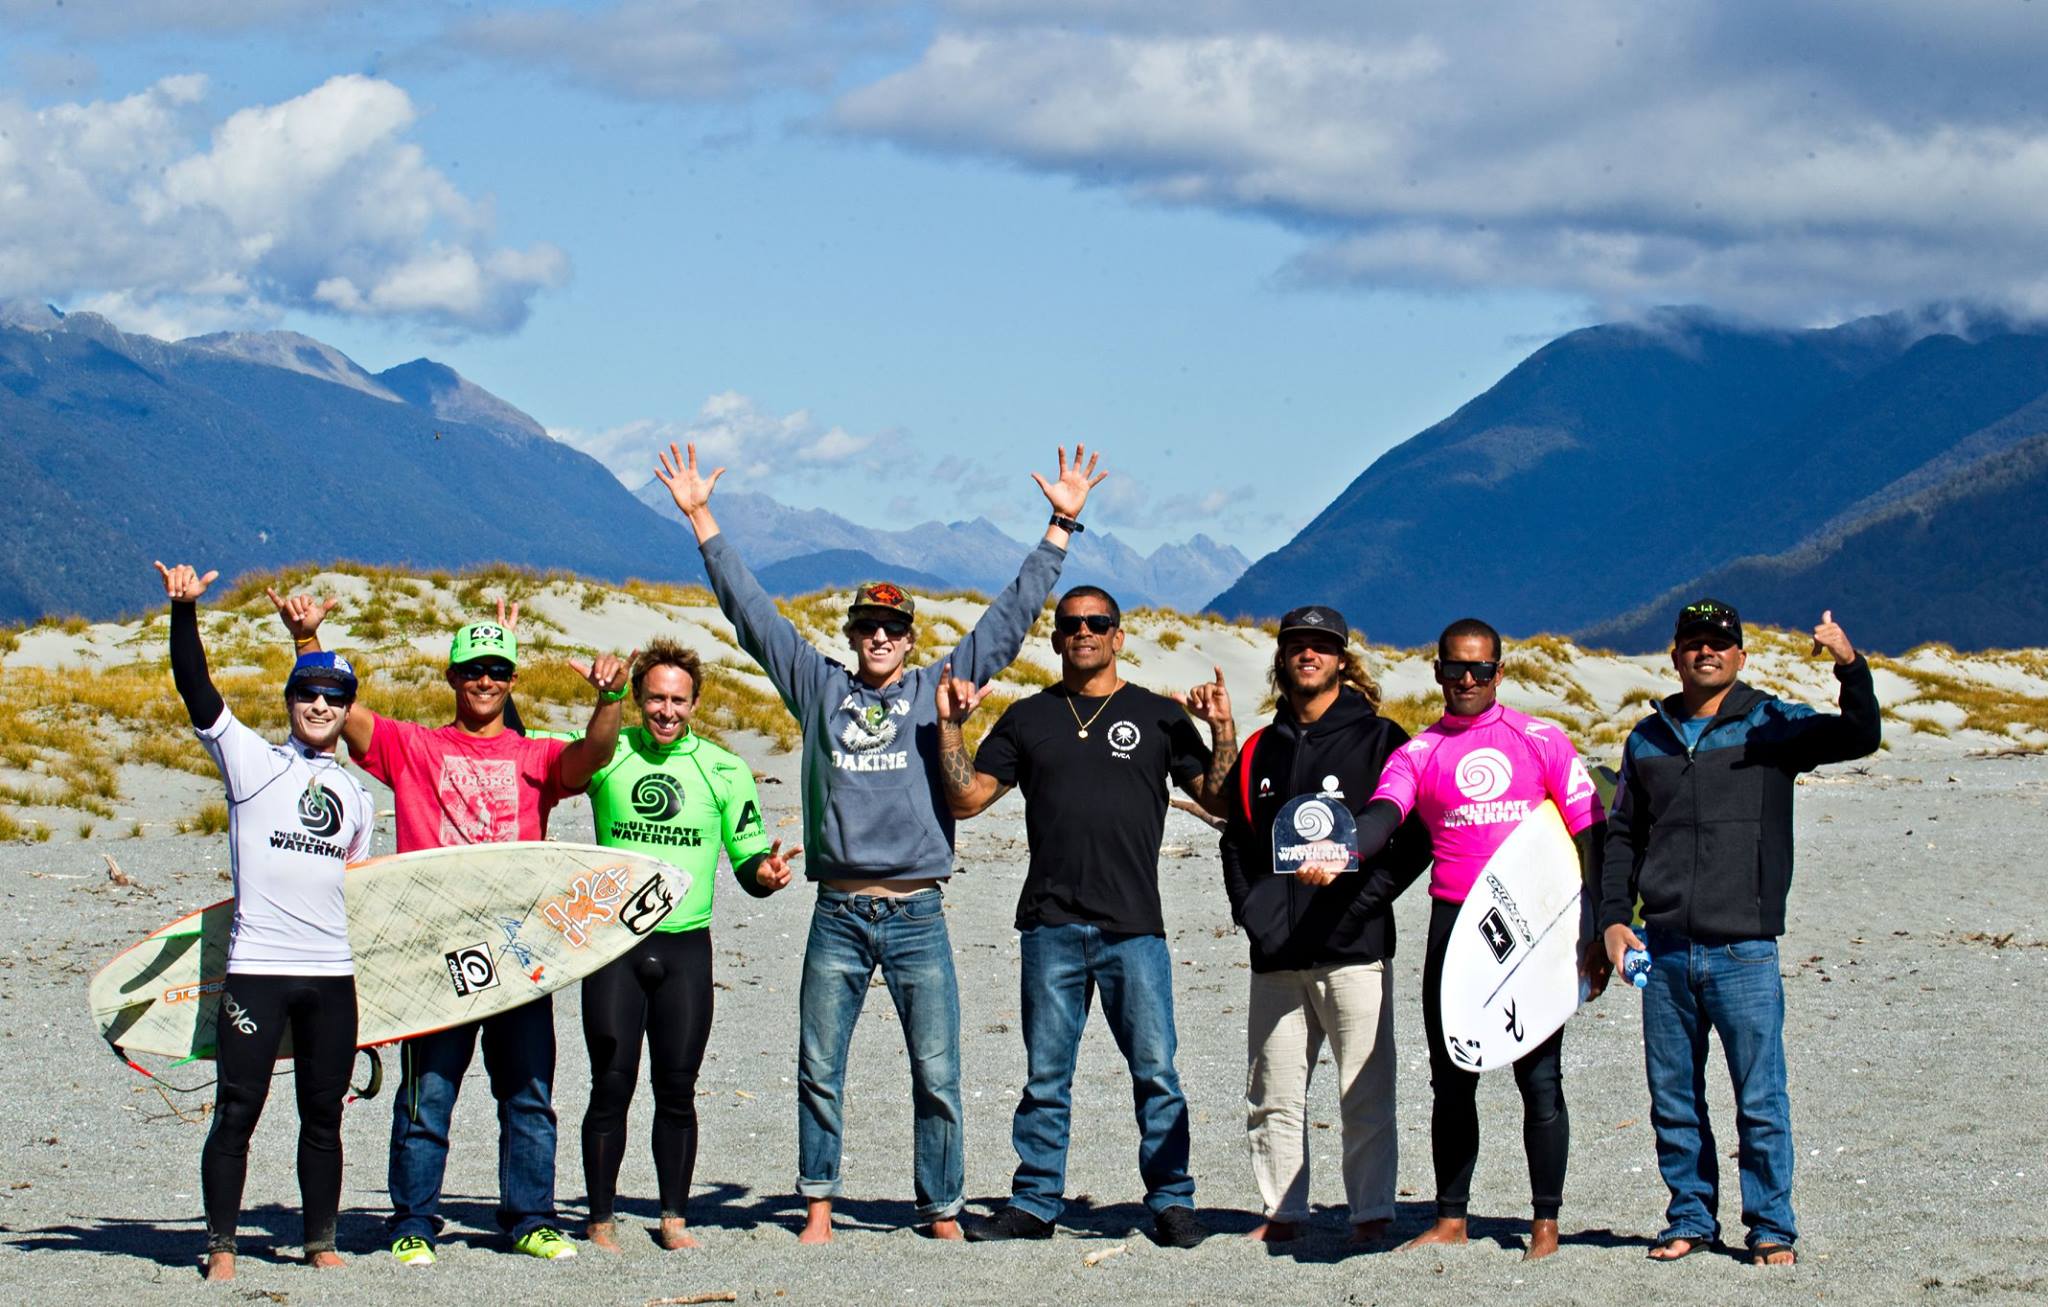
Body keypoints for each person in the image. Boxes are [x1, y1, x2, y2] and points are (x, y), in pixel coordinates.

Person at [654, 440, 1106, 1244]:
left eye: (893, 627)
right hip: (837, 912)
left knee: (937, 1072)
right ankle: (818, 1204)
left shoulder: (939, 689)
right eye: (867, 626)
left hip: (917, 913)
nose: (880, 637)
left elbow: (1008, 620)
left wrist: (1060, 527)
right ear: (853, 633)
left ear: (909, 637)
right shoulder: (817, 685)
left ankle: (941, 1207)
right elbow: (752, 615)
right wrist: (702, 519)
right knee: (819, 1067)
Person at [276, 592, 632, 1265]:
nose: (485, 681)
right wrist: (307, 638)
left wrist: (610, 697)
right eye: (473, 670)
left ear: (512, 680)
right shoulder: (413, 747)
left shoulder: (535, 756)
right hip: (434, 955)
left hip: (520, 954)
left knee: (528, 1094)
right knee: (425, 1095)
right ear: (452, 677)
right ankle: (413, 1220)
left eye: (497, 671)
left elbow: (592, 754)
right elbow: (341, 710)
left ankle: (530, 1217)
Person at [935, 585, 1236, 1248]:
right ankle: (1035, 1202)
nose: (1084, 631)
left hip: (1135, 926)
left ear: (1118, 635)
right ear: (1056, 637)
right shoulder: (1028, 717)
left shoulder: (1158, 716)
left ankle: (1172, 1201)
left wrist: (1222, 729)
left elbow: (1218, 798)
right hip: (1051, 924)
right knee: (1046, 1076)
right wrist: (952, 725)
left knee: (1156, 1073)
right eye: (1071, 623)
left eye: (1098, 622)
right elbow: (966, 800)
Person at [1600, 601, 1879, 1268]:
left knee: (1759, 1098)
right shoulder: (1648, 738)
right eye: (1694, 642)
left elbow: (1859, 735)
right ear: (1675, 656)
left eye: (1720, 643)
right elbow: (1623, 836)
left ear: (1740, 656)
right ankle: (1690, 1218)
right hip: (1664, 947)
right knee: (1673, 1098)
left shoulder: (1771, 724)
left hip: (1744, 949)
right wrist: (1612, 917)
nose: (1707, 652)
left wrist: (1850, 663)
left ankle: (1771, 1227)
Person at [1333, 618, 1608, 1260]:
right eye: (1455, 667)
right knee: (1452, 1078)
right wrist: (1345, 845)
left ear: (1499, 673)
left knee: (1540, 1080)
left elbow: (1591, 831)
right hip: (1455, 927)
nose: (1466, 679)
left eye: (1479, 669)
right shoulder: (1420, 753)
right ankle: (1451, 1217)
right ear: (1437, 671)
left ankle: (1545, 1223)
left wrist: (1595, 926)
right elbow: (1384, 814)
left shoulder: (1539, 739)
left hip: (1534, 928)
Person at [155, 562, 376, 1283]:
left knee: (324, 1114)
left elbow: (356, 891)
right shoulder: (251, 763)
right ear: (290, 701)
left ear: (347, 710)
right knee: (237, 1109)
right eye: (308, 692)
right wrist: (184, 612)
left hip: (331, 977)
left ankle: (319, 1239)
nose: (320, 704)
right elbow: (196, 688)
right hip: (257, 970)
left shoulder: (359, 798)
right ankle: (222, 1245)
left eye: (334, 696)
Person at [560, 639, 803, 1252]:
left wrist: (766, 875)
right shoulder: (607, 753)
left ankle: (673, 1218)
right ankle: (600, 1218)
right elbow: (523, 753)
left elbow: (748, 860)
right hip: (614, 948)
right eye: (655, 699)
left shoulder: (723, 770)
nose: (666, 711)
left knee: (677, 1089)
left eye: (678, 700)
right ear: (638, 698)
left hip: (686, 950)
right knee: (610, 1083)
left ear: (695, 703)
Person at [1217, 605, 1432, 1245]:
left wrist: (1361, 907)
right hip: (1276, 955)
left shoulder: (1382, 740)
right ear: (1282, 659)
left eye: (1322, 646)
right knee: (1272, 1094)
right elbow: (1236, 842)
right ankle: (1283, 1213)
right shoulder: (1259, 748)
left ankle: (1371, 1213)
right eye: (1297, 646)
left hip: (1353, 951)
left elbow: (1413, 841)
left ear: (1342, 660)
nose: (1308, 655)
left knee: (1364, 1092)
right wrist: (1252, 913)